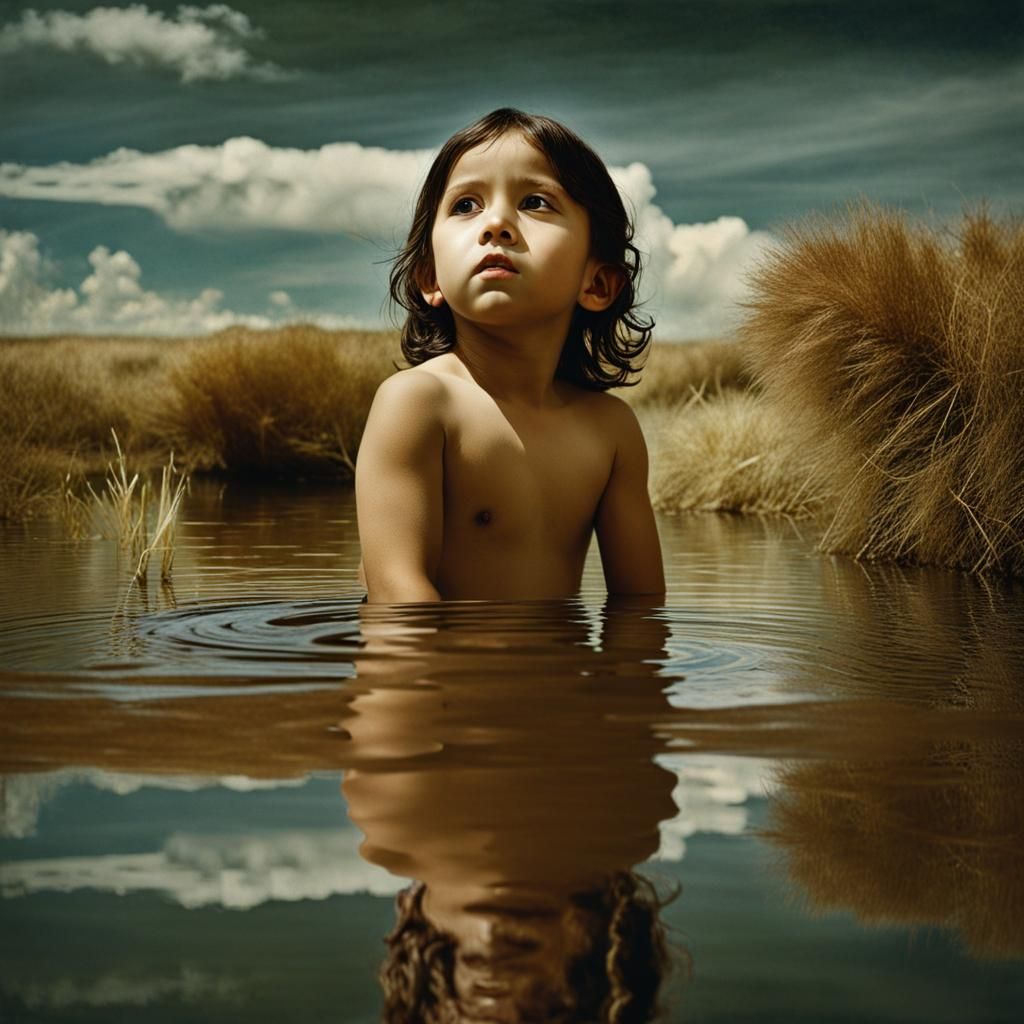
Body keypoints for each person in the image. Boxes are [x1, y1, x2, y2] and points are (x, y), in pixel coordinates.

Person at [355, 107, 665, 603]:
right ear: (430, 276)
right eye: (465, 206)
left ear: (598, 282)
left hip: (558, 680)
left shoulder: (611, 430)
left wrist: (626, 681)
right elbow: (399, 597)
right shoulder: (418, 403)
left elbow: (640, 608)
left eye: (536, 202)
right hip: (431, 675)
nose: (496, 223)